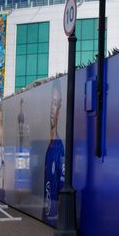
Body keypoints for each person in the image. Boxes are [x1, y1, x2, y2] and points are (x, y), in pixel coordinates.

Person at [43, 81, 64, 227]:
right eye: (51, 102)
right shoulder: (48, 148)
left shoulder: (59, 149)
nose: (52, 108)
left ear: (59, 109)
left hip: (54, 221)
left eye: (55, 103)